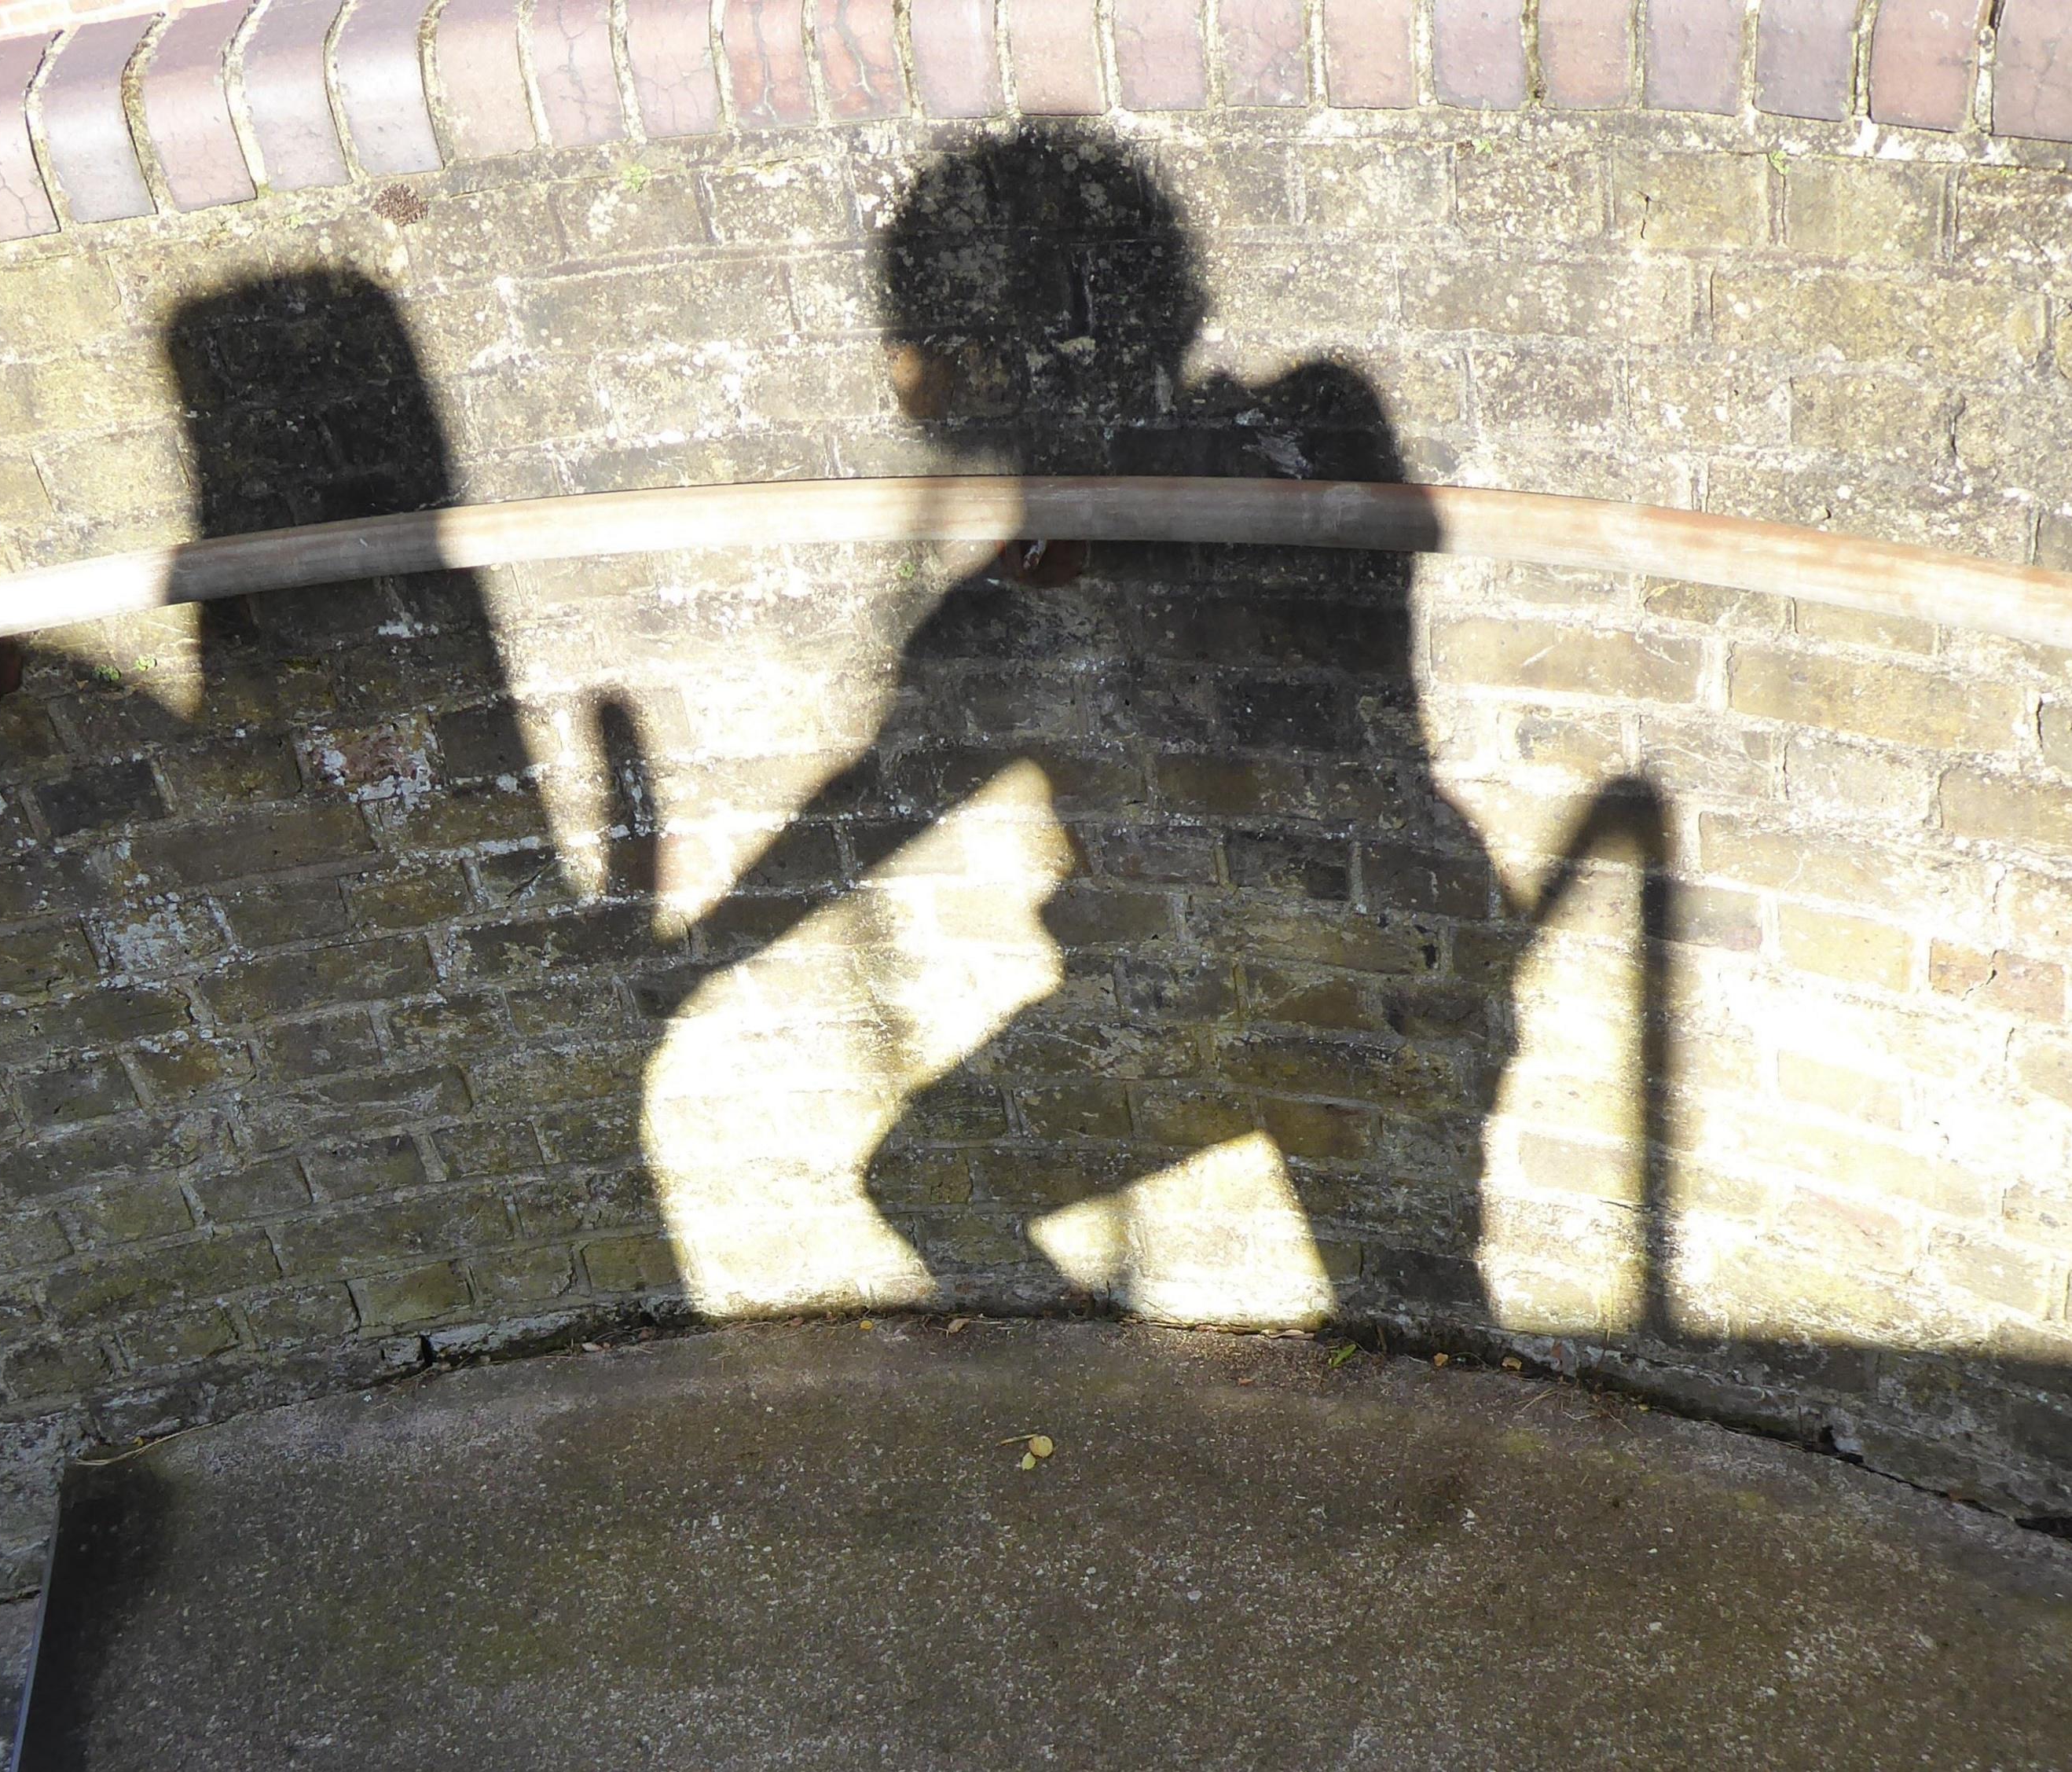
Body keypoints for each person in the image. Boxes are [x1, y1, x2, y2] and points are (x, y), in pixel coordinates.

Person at [649, 127, 1516, 1326]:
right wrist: (701, 954)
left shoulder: (1285, 432)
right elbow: (883, 788)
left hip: (1362, 953)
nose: (902, 373)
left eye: (918, 343)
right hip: (1251, 957)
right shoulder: (1036, 565)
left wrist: (696, 954)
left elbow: (892, 779)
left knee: (1406, 1294)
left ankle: (1416, 1475)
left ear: (974, 356)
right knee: (931, 1182)